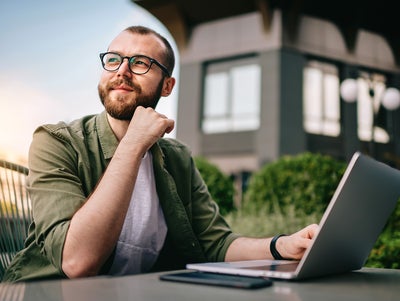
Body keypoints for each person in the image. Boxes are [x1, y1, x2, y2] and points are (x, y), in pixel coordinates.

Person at [3, 25, 318, 282]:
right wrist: (133, 144)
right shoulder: (57, 141)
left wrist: (283, 245)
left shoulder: (176, 157)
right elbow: (76, 262)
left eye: (140, 63)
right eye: (114, 59)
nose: (122, 71)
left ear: (167, 86)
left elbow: (217, 243)